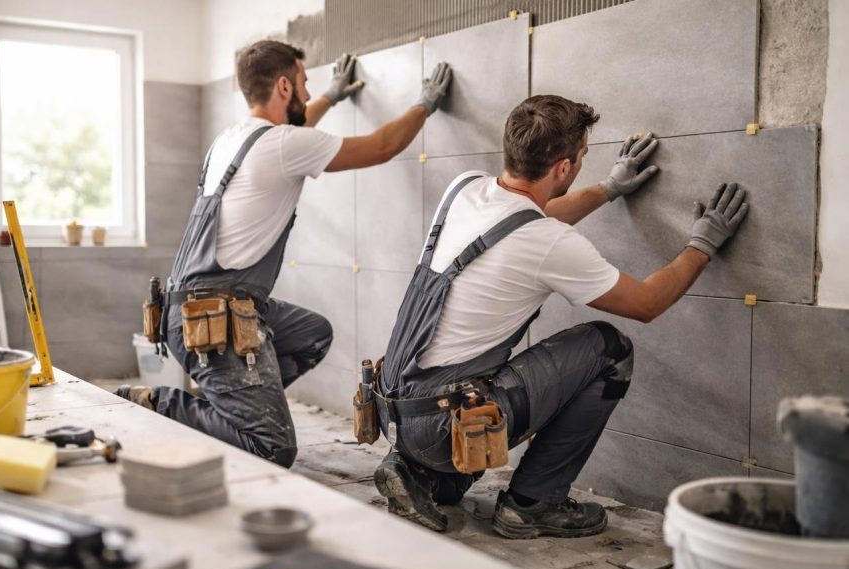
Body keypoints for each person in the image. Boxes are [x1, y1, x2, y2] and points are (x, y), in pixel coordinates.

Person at [371, 94, 749, 538]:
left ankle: (418, 473)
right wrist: (702, 244)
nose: (584, 163)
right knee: (609, 349)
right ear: (564, 167)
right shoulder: (547, 241)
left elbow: (529, 216)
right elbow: (646, 303)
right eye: (583, 155)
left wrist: (608, 189)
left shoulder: (465, 188)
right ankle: (533, 503)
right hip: (439, 421)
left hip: (393, 408)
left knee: (458, 475)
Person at [119, 40, 454, 468]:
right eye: (304, 82)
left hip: (188, 310)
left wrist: (331, 95)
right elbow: (382, 146)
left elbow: (294, 133)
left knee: (312, 334)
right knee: (271, 447)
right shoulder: (281, 145)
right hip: (215, 321)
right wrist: (425, 104)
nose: (308, 93)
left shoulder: (232, 140)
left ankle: (231, 401)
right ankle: (159, 405)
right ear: (283, 86)